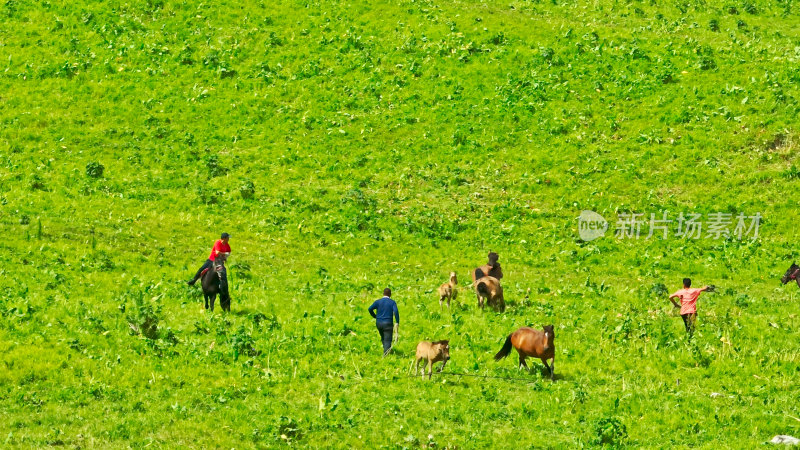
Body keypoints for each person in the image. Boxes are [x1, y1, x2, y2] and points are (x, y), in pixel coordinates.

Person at [368, 288, 399, 356]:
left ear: (383, 293)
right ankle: (386, 355)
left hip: (379, 323)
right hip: (388, 323)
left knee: (383, 337)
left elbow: (370, 309)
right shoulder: (392, 302)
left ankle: (386, 349)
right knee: (388, 340)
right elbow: (396, 311)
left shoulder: (378, 302)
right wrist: (397, 321)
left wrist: (375, 316)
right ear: (390, 294)